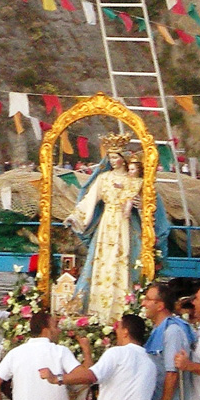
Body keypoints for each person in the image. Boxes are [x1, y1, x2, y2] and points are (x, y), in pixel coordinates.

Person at [64, 133, 147, 322]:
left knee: (124, 258)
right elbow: (90, 199)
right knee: (103, 262)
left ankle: (124, 308)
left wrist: (141, 205)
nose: (113, 160)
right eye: (110, 157)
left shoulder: (135, 180)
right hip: (107, 223)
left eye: (116, 156)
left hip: (125, 224)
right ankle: (97, 311)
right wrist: (76, 215)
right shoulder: (104, 178)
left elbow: (147, 205)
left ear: (124, 158)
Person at [41, 313, 156, 400]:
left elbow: (91, 376)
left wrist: (57, 378)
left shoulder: (118, 352)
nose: (115, 331)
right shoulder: (150, 363)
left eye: (118, 327)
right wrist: (87, 350)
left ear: (125, 332)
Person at [0, 311, 80, 400]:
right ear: (46, 330)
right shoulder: (60, 351)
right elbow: (82, 376)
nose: (59, 331)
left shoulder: (15, 353)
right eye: (55, 326)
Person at [142, 282, 195, 400]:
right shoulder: (158, 330)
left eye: (148, 299)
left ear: (160, 305)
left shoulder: (172, 331)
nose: (143, 303)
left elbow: (172, 373)